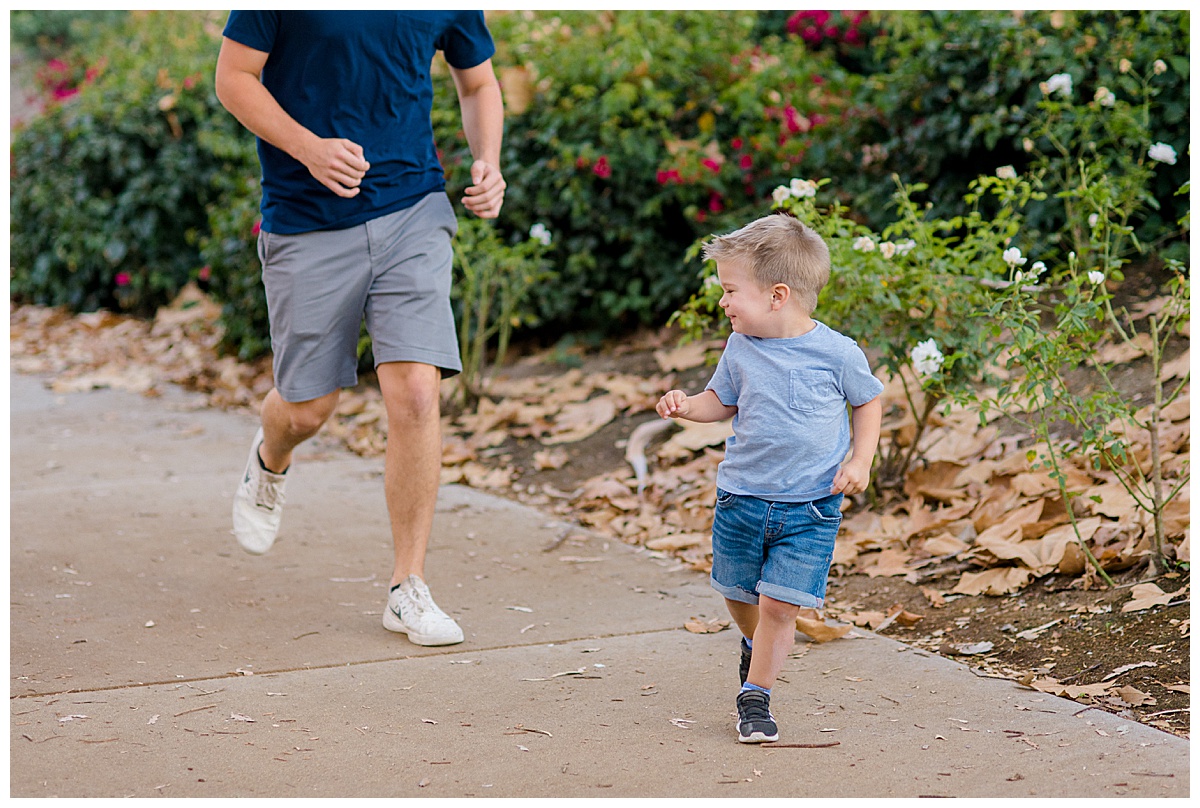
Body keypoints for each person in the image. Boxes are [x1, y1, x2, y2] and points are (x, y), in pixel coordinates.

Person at [215, 11, 505, 646]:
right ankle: (271, 458)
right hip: (307, 219)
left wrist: (488, 161)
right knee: (307, 409)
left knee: (416, 391)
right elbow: (234, 78)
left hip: (414, 208)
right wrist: (308, 147)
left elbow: (477, 82)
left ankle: (408, 587)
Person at [656, 214, 883, 743]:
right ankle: (755, 644)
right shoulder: (741, 348)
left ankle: (755, 696)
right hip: (742, 500)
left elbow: (869, 400)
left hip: (811, 508)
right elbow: (722, 400)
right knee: (738, 594)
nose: (723, 302)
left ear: (778, 295)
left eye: (731, 290)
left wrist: (860, 460)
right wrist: (688, 405)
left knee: (780, 605)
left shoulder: (837, 353)